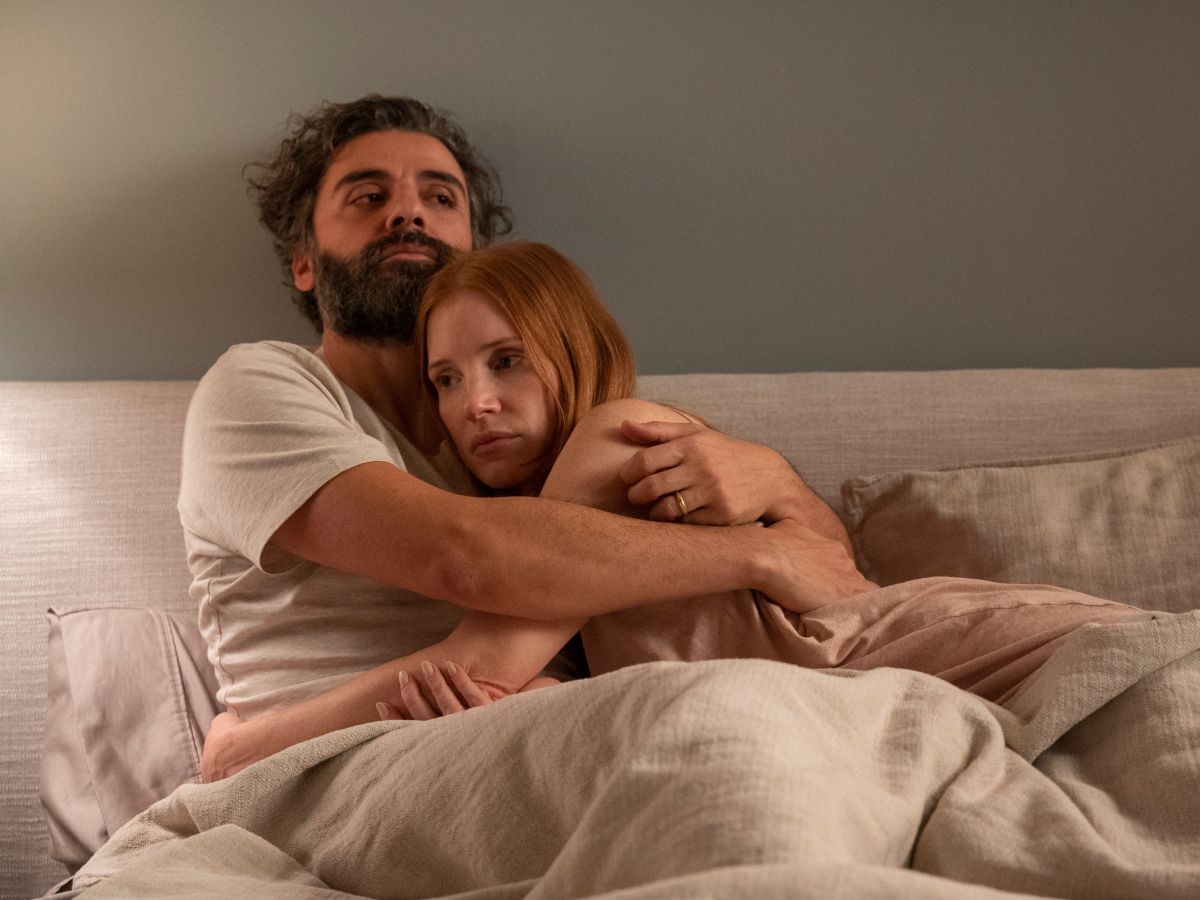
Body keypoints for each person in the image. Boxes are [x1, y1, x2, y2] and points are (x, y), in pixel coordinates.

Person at [190, 95, 862, 780]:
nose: (408, 213)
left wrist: (779, 483)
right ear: (304, 262)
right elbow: (466, 556)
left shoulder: (521, 440)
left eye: (440, 198)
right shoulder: (259, 385)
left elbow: (842, 585)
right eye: (369, 196)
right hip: (331, 774)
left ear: (472, 253)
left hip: (542, 739)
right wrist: (757, 555)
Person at [380, 240, 1155, 720]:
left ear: (575, 350)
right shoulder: (542, 562)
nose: (475, 404)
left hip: (945, 651)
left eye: (507, 361)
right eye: (446, 379)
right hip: (849, 705)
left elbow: (490, 658)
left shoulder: (619, 438)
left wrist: (291, 730)